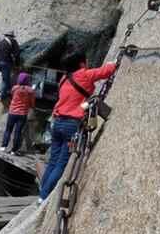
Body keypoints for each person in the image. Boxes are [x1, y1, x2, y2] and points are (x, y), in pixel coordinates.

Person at [38, 51, 116, 202]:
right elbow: (106, 71)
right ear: (81, 63)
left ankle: (42, 190)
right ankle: (44, 196)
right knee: (62, 162)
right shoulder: (84, 75)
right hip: (71, 125)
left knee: (53, 160)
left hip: (58, 122)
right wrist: (113, 62)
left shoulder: (63, 79)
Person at [0, 72, 36, 155]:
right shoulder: (30, 91)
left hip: (12, 112)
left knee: (8, 130)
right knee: (18, 132)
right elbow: (32, 104)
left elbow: (13, 96)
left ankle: (3, 146)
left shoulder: (14, 88)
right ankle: (13, 150)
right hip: (22, 114)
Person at [0, 31, 20, 100]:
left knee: (6, 77)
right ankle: (2, 95)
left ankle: (8, 90)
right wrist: (17, 64)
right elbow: (17, 53)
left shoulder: (0, 43)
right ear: (10, 36)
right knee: (5, 79)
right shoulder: (13, 42)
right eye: (12, 37)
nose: (13, 38)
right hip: (5, 64)